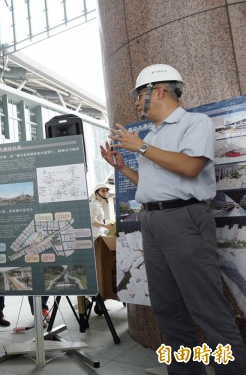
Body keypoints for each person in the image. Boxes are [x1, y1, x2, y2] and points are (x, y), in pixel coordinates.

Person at [101, 64, 246, 375]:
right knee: (167, 312)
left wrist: (139, 145)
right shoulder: (153, 135)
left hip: (185, 220)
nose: (137, 103)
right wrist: (123, 168)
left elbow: (191, 167)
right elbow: (155, 187)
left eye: (140, 96)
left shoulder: (195, 123)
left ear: (159, 91)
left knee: (207, 310)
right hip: (153, 222)